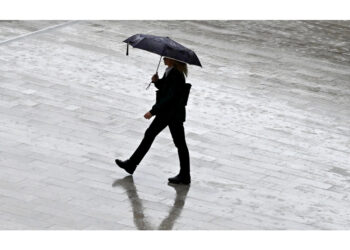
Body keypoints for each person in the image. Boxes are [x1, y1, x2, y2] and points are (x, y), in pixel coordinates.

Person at [115, 57, 191, 185]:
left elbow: (169, 97)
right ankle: (132, 164)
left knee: (176, 142)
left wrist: (153, 111)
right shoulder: (171, 72)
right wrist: (157, 81)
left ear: (173, 60)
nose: (163, 59)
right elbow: (166, 88)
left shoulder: (176, 74)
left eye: (166, 57)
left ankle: (132, 164)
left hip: (170, 114)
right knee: (173, 142)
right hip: (171, 113)